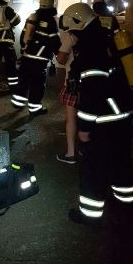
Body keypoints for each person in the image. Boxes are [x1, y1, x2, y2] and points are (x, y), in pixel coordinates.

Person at [59, 2, 133, 227]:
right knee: (121, 162)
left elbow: (92, 93)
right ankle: (125, 203)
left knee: (93, 169)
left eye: (72, 31)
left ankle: (90, 215)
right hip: (123, 115)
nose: (71, 36)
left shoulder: (91, 49)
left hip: (104, 121)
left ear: (79, 25)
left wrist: (84, 128)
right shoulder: (107, 38)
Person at [11, 0, 61, 116]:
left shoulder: (32, 16)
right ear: (52, 4)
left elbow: (23, 35)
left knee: (23, 80)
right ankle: (34, 108)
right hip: (39, 59)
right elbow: (54, 41)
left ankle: (18, 102)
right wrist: (58, 53)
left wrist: (24, 50)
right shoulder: (51, 20)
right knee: (37, 84)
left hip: (26, 56)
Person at [55, 28, 78, 164]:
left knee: (71, 120)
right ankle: (86, 148)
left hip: (74, 83)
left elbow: (61, 59)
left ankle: (71, 154)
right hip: (95, 83)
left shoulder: (72, 36)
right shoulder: (100, 34)